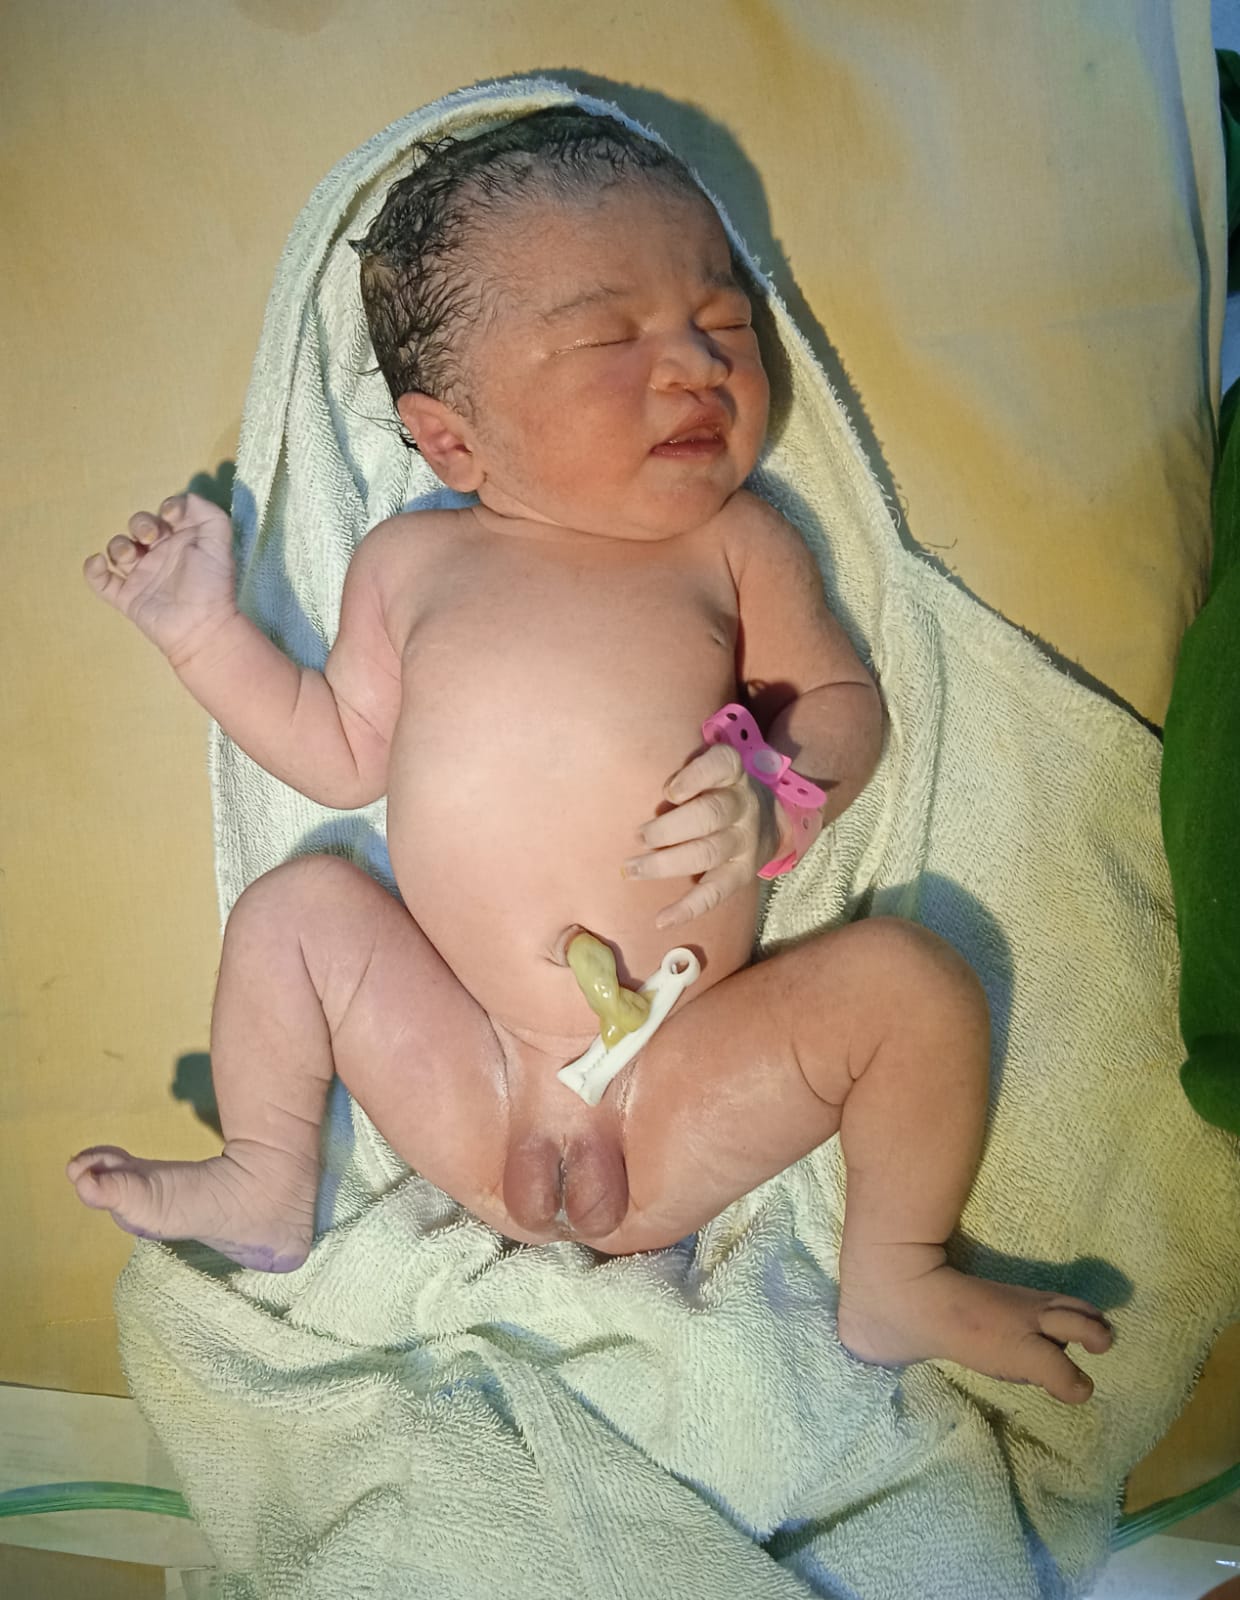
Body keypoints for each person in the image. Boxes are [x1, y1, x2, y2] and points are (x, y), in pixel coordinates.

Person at [67, 108, 1112, 1403]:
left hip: (687, 1075)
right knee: (297, 915)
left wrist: (775, 787)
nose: (697, 366)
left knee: (913, 985)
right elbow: (337, 754)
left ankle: (896, 1270)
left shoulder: (736, 543)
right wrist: (202, 634)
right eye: (613, 340)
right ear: (452, 439)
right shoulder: (413, 563)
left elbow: (846, 703)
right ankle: (269, 1177)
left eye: (724, 321)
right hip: (474, 1067)